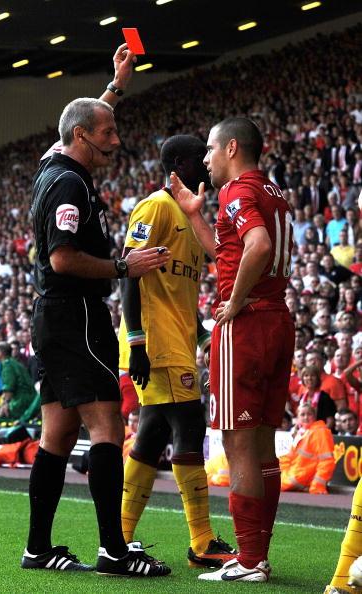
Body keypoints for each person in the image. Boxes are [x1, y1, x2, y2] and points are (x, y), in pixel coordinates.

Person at [24, 44, 171, 577]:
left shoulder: (53, 163)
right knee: (108, 425)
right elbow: (63, 258)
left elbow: (76, 120)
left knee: (58, 436)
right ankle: (114, 550)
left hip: (54, 318)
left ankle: (38, 548)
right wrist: (122, 269)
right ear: (83, 137)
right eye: (106, 132)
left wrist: (117, 84)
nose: (116, 139)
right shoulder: (68, 182)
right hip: (77, 314)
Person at [170, 116, 295, 582]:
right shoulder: (275, 193)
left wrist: (234, 303)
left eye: (209, 148)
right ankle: (258, 556)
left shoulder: (237, 191)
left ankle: (248, 560)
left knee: (236, 442)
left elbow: (256, 246)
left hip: (247, 324)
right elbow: (231, 250)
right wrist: (194, 215)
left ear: (231, 148)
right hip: (278, 318)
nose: (204, 158)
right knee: (262, 444)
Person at [119, 134, 236, 570]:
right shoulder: (155, 207)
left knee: (151, 435)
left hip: (177, 340)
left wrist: (203, 335)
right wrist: (136, 342)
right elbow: (130, 273)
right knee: (187, 422)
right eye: (200, 159)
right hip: (155, 342)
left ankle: (119, 535)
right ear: (181, 164)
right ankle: (202, 541)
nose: (207, 165)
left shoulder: (189, 216)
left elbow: (178, 291)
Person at [280, 403, 335, 494]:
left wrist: (317, 485)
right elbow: (289, 457)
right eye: (302, 414)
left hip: (299, 477)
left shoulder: (320, 432)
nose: (306, 417)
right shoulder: (302, 432)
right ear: (297, 418)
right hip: (295, 473)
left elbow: (327, 461)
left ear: (314, 416)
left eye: (309, 414)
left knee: (268, 483)